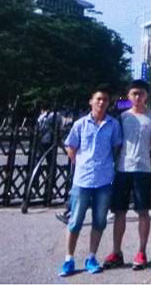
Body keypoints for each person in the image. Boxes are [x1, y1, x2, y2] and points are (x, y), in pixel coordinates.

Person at [58, 86, 123, 277]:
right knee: (75, 221)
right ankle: (69, 259)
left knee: (99, 221)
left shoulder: (113, 125)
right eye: (98, 99)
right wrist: (80, 163)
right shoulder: (80, 124)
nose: (101, 102)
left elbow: (116, 147)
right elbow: (71, 146)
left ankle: (91, 257)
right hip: (83, 179)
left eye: (105, 99)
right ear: (91, 101)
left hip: (103, 179)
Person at [103, 80, 151, 270]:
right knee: (119, 211)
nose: (137, 97)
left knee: (143, 211)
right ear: (128, 96)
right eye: (134, 93)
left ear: (146, 95)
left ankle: (141, 251)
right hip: (123, 168)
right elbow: (117, 145)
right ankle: (116, 251)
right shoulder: (122, 117)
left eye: (141, 93)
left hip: (143, 169)